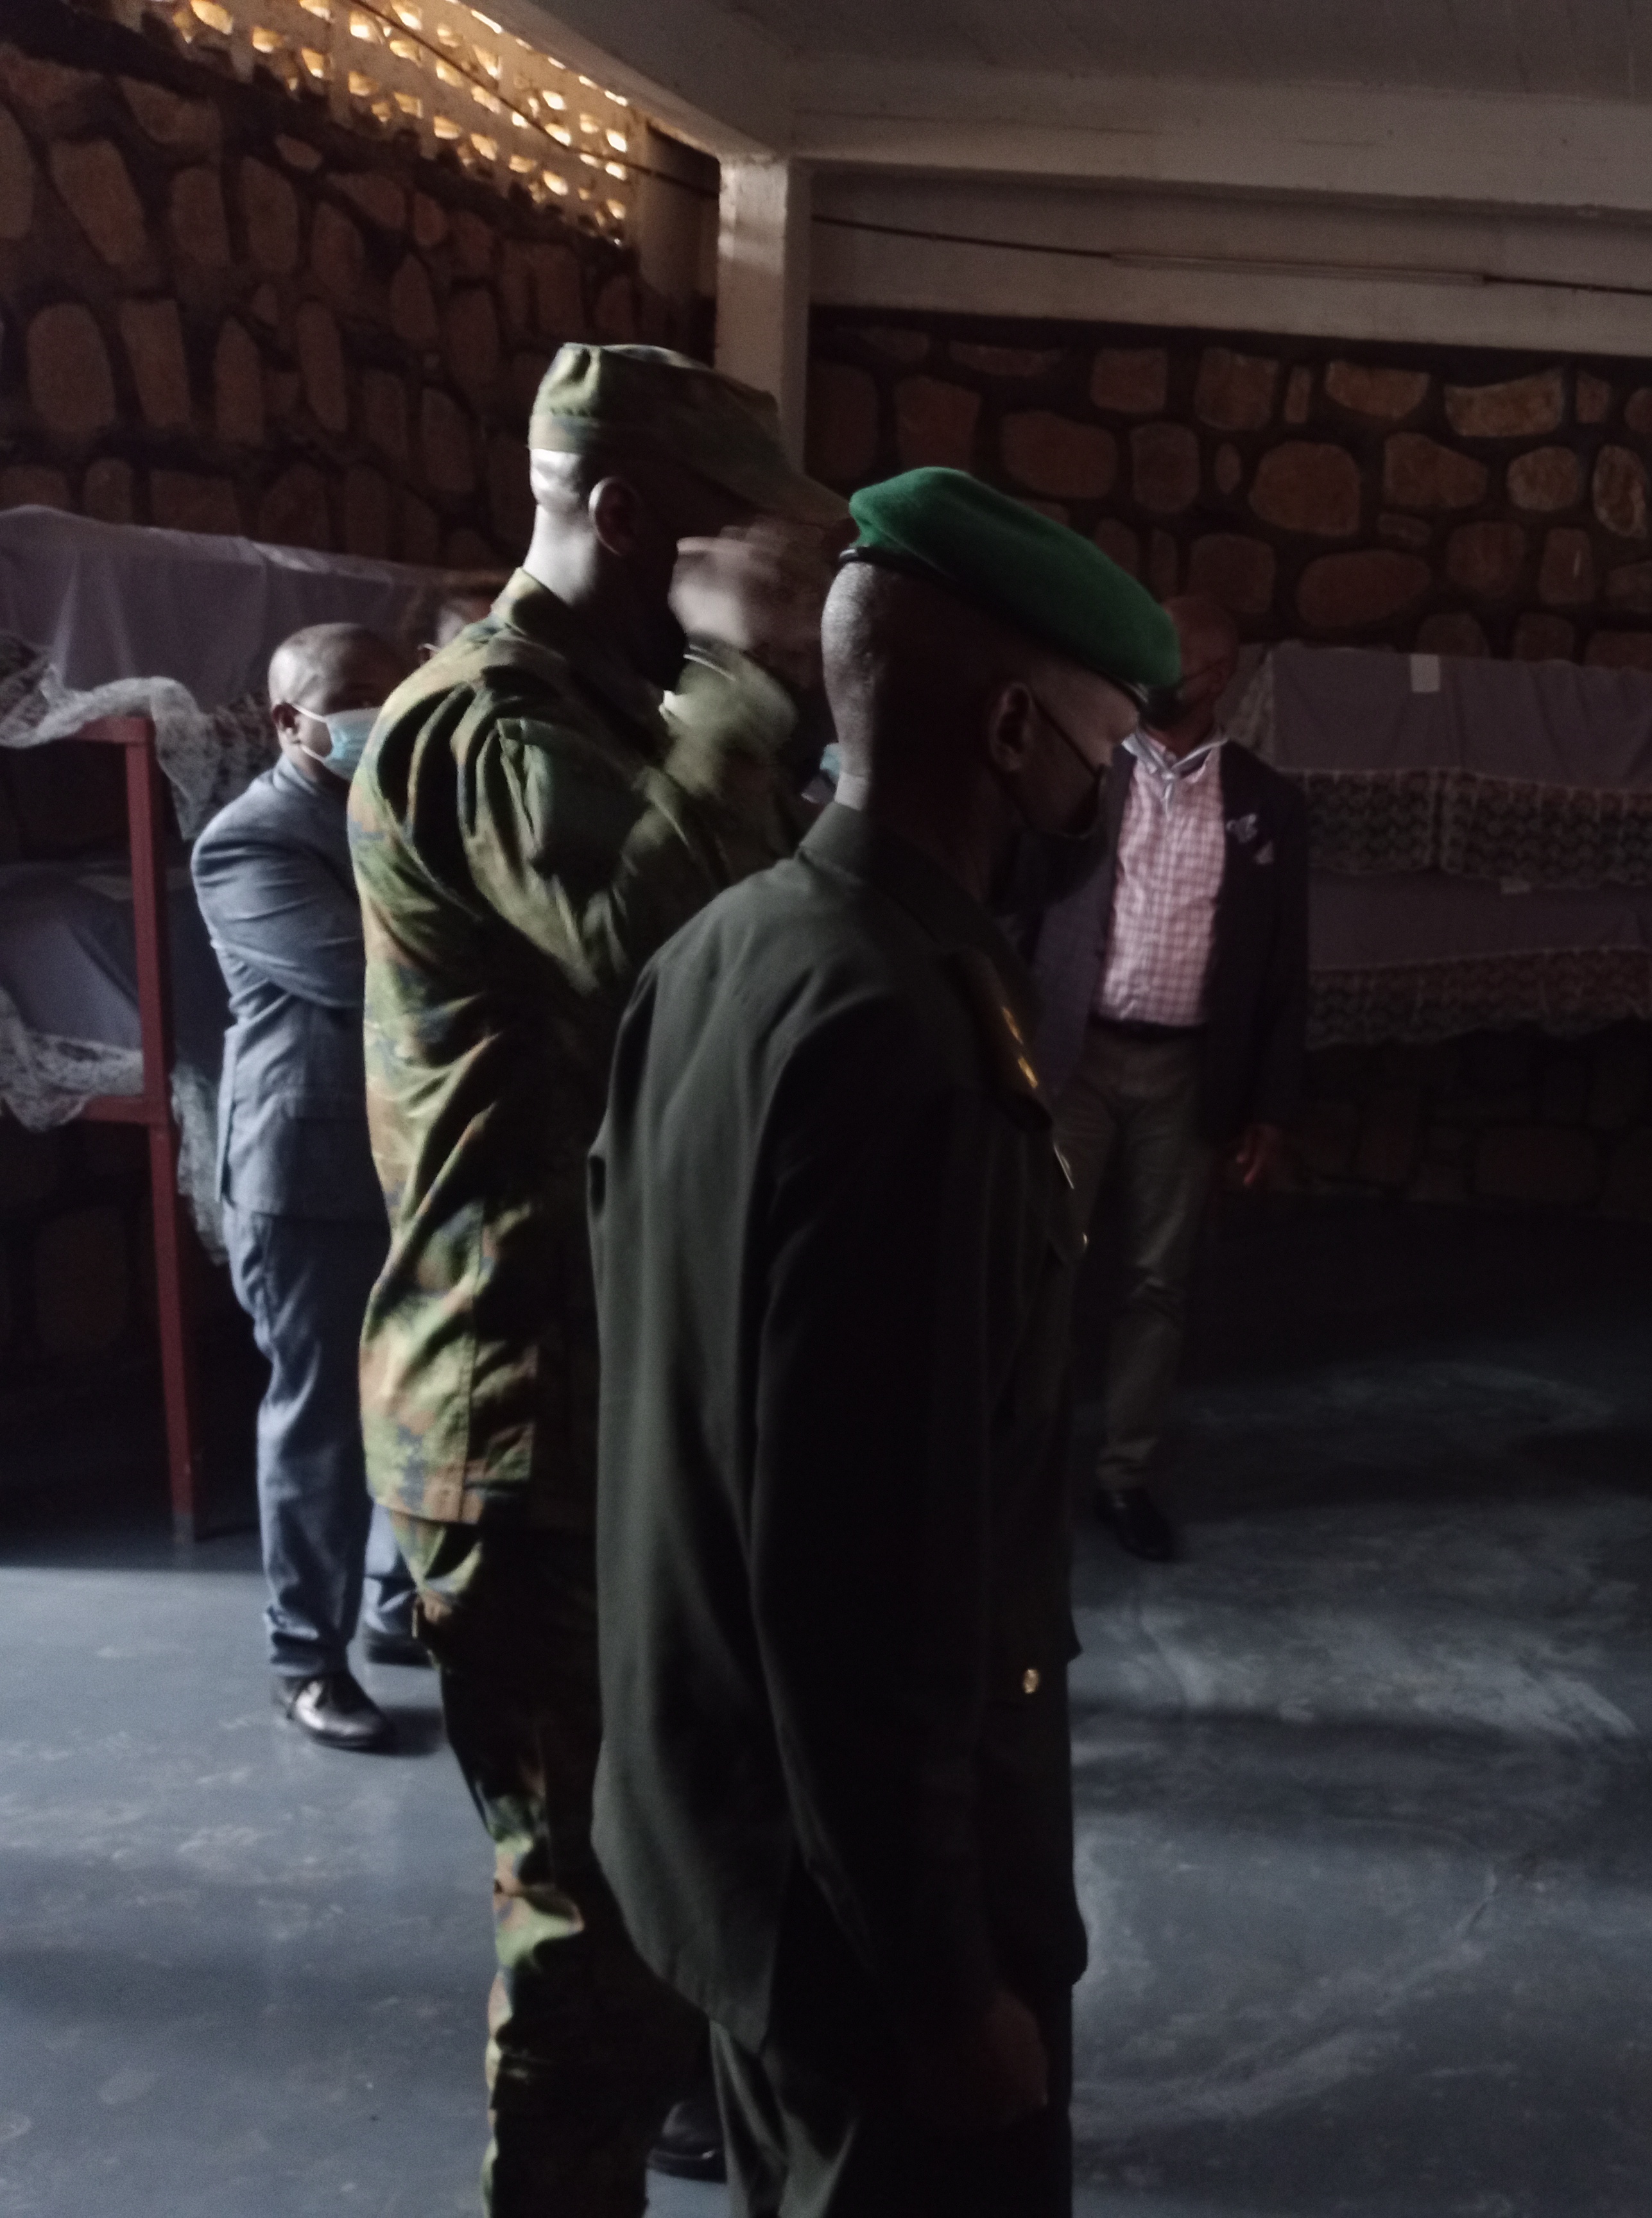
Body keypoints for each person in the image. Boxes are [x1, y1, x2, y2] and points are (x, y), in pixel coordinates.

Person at [590, 467, 1176, 2216]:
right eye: (1105, 752)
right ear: (1008, 733)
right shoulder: (913, 1041)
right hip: (864, 1903)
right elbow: (868, 1587)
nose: (1109, 800)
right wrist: (944, 1983)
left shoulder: (730, 948)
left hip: (726, 1827)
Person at [348, 342, 843, 2214]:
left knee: (674, 1860)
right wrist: (745, 678)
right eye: (742, 539)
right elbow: (653, 943)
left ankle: (661, 2105)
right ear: (632, 519)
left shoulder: (614, 718)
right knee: (581, 1916)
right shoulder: (479, 725)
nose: (779, 579)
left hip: (626, 1398)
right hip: (519, 1411)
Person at [1025, 592, 1308, 1562]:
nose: (1147, 667)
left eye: (1170, 654)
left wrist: (1270, 1109)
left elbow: (1284, 968)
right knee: (1039, 1265)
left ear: (1218, 676)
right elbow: (1022, 910)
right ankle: (1020, 1466)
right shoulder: (1083, 770)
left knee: (1158, 1282)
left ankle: (1124, 1477)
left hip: (1187, 1077)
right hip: (1073, 1060)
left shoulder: (1267, 804)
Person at [192, 621, 424, 1753]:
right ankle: (307, 1662)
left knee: (419, 1399)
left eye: (398, 689)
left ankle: (395, 1607)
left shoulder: (407, 812)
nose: (387, 712)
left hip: (412, 1161)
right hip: (309, 1171)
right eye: (360, 696)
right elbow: (371, 978)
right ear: (292, 722)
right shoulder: (250, 842)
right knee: (323, 1421)